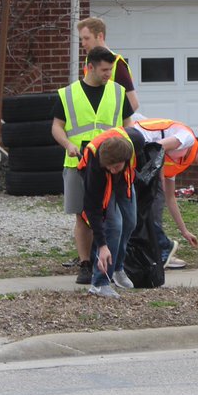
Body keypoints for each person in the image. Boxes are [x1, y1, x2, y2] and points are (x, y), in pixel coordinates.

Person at [52, 46, 129, 285]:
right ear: (90, 67)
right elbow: (56, 126)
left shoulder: (118, 92)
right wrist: (68, 144)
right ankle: (85, 264)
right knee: (82, 216)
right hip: (77, 163)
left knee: (112, 217)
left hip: (110, 165)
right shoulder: (68, 94)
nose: (108, 74)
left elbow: (128, 125)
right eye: (104, 70)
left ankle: (108, 263)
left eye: (110, 69)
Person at [129, 118, 198, 269]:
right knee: (142, 206)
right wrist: (158, 175)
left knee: (146, 206)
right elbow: (157, 147)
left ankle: (158, 250)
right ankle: (161, 248)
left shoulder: (175, 160)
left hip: (140, 150)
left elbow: (170, 198)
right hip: (135, 140)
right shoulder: (187, 138)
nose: (197, 163)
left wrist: (185, 231)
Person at [77, 128, 138, 298]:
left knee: (130, 221)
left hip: (124, 179)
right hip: (99, 180)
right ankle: (100, 283)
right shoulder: (96, 167)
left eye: (115, 166)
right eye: (109, 167)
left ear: (125, 159)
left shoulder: (136, 141)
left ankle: (117, 267)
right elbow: (93, 209)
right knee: (114, 226)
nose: (112, 170)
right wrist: (102, 245)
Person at [76, 17, 140, 115]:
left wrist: (113, 121)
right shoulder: (89, 61)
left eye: (87, 38)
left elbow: (133, 103)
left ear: (100, 36)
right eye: (81, 39)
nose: (83, 43)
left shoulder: (117, 63)